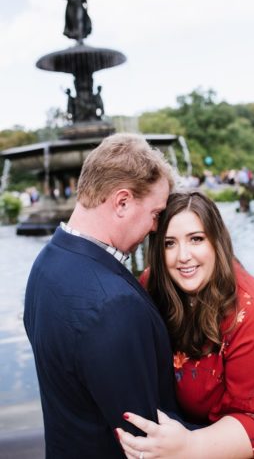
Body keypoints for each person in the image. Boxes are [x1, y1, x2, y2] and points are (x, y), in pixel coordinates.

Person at [24, 133, 187, 458]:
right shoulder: (113, 304)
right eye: (155, 214)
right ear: (122, 202)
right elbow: (144, 439)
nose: (156, 228)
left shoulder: (45, 263)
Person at [117, 191, 254, 458]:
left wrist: (188, 446)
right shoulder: (153, 285)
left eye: (196, 239)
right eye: (169, 243)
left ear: (217, 242)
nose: (183, 256)